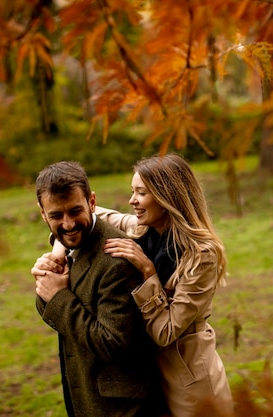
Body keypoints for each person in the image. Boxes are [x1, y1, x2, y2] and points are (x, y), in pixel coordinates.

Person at [35, 154, 234, 417]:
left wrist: (149, 273)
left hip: (187, 377)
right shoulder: (142, 228)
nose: (132, 201)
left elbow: (165, 331)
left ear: (167, 197)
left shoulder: (201, 255)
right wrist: (59, 249)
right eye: (132, 191)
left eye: (141, 193)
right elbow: (82, 215)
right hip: (149, 372)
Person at [31, 161, 167, 417]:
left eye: (75, 211)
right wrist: (47, 281)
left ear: (92, 202)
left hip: (121, 408)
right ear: (42, 213)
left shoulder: (116, 260)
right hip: (86, 395)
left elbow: (112, 343)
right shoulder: (67, 247)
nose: (68, 224)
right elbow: (54, 307)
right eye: (56, 216)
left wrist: (58, 296)